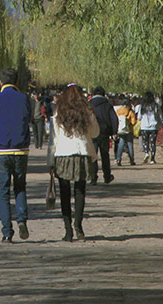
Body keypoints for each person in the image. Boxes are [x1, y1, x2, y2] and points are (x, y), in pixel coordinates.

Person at [0, 67, 32, 243]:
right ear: (17, 82)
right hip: (20, 149)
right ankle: (22, 219)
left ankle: (7, 232)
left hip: (0, 150)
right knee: (20, 186)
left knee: (3, 191)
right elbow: (27, 118)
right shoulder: (24, 99)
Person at [52, 85, 100, 241]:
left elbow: (55, 136)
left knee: (64, 193)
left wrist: (50, 159)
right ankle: (78, 227)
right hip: (81, 152)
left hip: (63, 153)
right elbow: (95, 133)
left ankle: (67, 231)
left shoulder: (59, 110)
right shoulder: (87, 110)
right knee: (80, 191)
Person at [88, 86, 118, 183]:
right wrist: (114, 131)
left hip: (92, 132)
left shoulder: (89, 105)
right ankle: (107, 176)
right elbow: (114, 118)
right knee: (105, 155)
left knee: (93, 155)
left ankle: (93, 177)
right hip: (104, 132)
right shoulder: (107, 104)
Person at [137, 92, 160, 164]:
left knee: (145, 141)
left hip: (144, 126)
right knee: (153, 142)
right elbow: (159, 116)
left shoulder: (142, 106)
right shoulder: (156, 106)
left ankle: (146, 152)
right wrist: (162, 125)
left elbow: (139, 117)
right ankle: (152, 159)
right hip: (154, 126)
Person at [114, 98, 137, 166]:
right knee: (130, 144)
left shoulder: (118, 111)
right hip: (129, 130)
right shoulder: (130, 111)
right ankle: (131, 160)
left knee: (121, 144)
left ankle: (118, 159)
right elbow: (133, 122)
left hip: (121, 130)